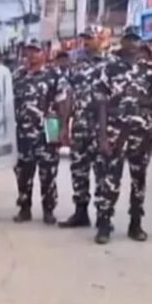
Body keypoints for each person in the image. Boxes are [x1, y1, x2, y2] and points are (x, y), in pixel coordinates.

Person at [93, 26, 152, 244]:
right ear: (121, 42)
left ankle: (136, 224)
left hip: (142, 133)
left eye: (135, 40)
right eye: (128, 40)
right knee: (109, 180)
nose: (132, 44)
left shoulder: (150, 70)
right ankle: (104, 224)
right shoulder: (109, 68)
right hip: (115, 133)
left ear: (141, 43)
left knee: (138, 181)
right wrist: (103, 136)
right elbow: (101, 103)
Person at [11, 39, 68, 225]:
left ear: (43, 53)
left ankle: (48, 210)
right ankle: (24, 208)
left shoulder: (54, 75)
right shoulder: (18, 76)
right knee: (23, 174)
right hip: (23, 132)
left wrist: (62, 128)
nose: (32, 55)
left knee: (48, 174)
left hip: (48, 129)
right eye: (29, 51)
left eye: (36, 51)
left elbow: (62, 102)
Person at [59, 26, 106, 228]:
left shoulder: (110, 65)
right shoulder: (75, 65)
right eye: (84, 39)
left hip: (102, 128)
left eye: (90, 38)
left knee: (103, 173)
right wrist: (64, 126)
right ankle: (81, 212)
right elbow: (68, 95)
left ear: (101, 39)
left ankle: (104, 216)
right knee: (79, 170)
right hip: (80, 126)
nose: (86, 42)